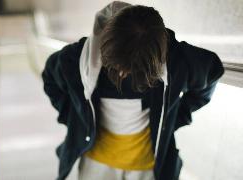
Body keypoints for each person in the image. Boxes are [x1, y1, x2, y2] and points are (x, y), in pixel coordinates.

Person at [42, 1, 224, 180]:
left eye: (133, 69)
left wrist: (179, 115)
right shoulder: (76, 58)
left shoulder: (176, 60)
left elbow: (213, 70)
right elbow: (50, 78)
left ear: (155, 59)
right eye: (115, 66)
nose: (122, 74)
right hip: (96, 163)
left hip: (148, 166)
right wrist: (75, 117)